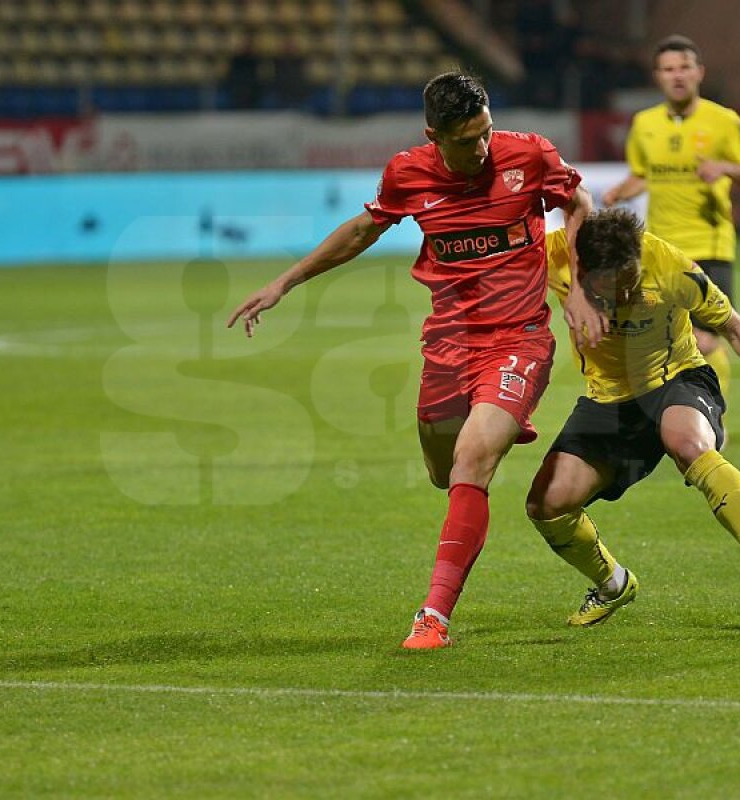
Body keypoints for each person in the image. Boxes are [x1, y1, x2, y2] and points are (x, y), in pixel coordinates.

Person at [227, 73, 603, 650]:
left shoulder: (527, 155)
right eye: (467, 140)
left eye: (486, 132)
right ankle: (605, 573)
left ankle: (434, 616)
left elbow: (579, 202)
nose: (482, 148)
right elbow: (361, 231)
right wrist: (286, 282)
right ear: (434, 136)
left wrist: (578, 286)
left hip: (518, 339)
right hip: (448, 347)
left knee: (472, 460)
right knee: (445, 470)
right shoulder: (407, 173)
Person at [524, 208, 740, 626]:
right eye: (613, 290)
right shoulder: (552, 256)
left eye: (631, 283)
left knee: (689, 444)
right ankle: (612, 583)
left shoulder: (670, 266)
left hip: (676, 378)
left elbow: (733, 324)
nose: (624, 296)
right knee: (545, 504)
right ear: (583, 267)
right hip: (609, 401)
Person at [601, 35, 740, 401]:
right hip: (661, 247)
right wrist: (619, 192)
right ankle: (680, 412)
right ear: (657, 77)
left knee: (707, 337)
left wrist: (724, 167)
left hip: (709, 244)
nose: (677, 76)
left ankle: (714, 420)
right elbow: (643, 174)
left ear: (699, 73)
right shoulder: (644, 124)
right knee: (661, 337)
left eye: (684, 68)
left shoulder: (723, 121)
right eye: (668, 69)